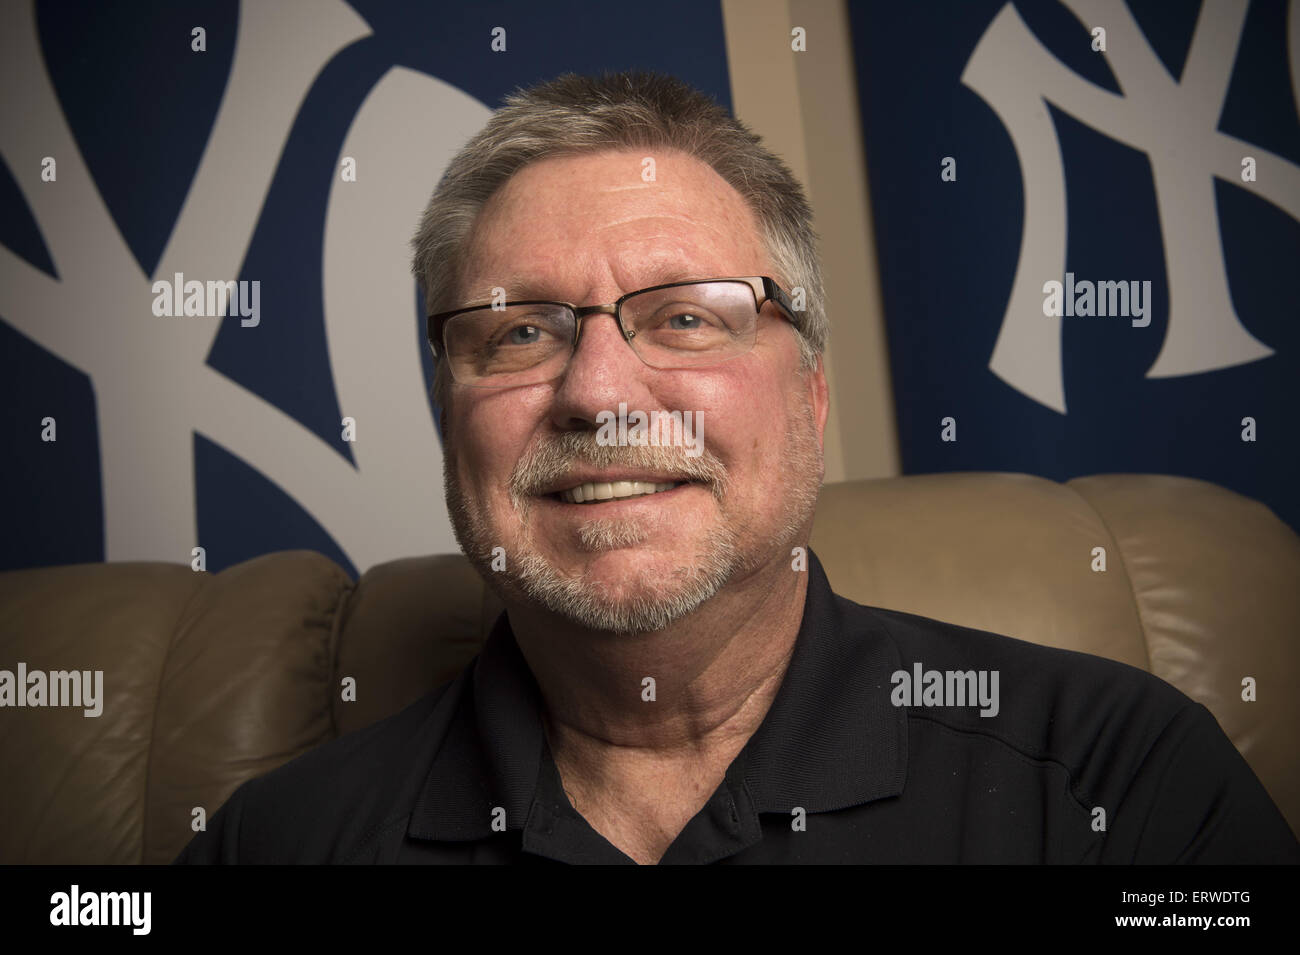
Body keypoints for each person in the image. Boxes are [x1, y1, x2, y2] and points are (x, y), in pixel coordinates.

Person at [175, 70, 1299, 865]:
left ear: (809, 393)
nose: (599, 396)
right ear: (447, 414)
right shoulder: (275, 844)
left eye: (686, 319)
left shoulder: (1118, 782)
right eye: (518, 333)